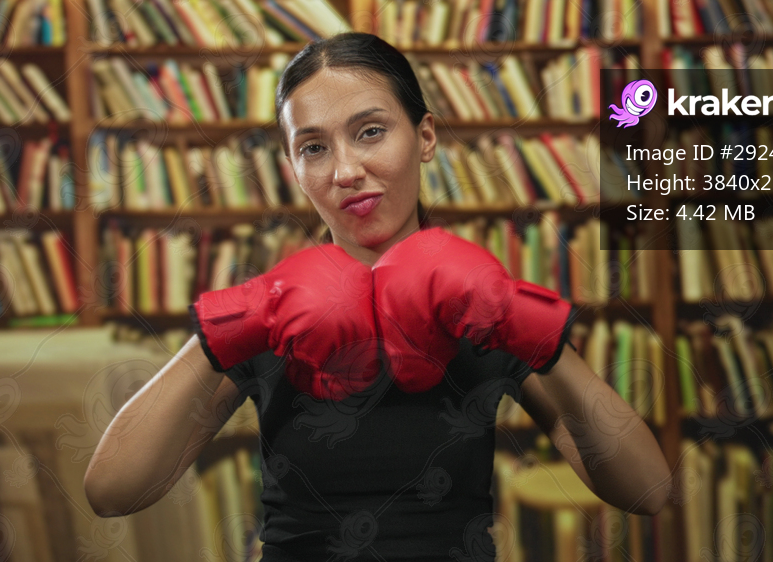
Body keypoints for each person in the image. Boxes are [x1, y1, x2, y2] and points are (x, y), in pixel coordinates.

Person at [84, 32, 670, 561]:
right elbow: (112, 491)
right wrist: (233, 324)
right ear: (293, 168)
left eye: (370, 131)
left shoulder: (479, 304)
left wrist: (532, 327)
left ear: (425, 136)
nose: (346, 170)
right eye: (313, 147)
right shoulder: (273, 313)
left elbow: (647, 489)